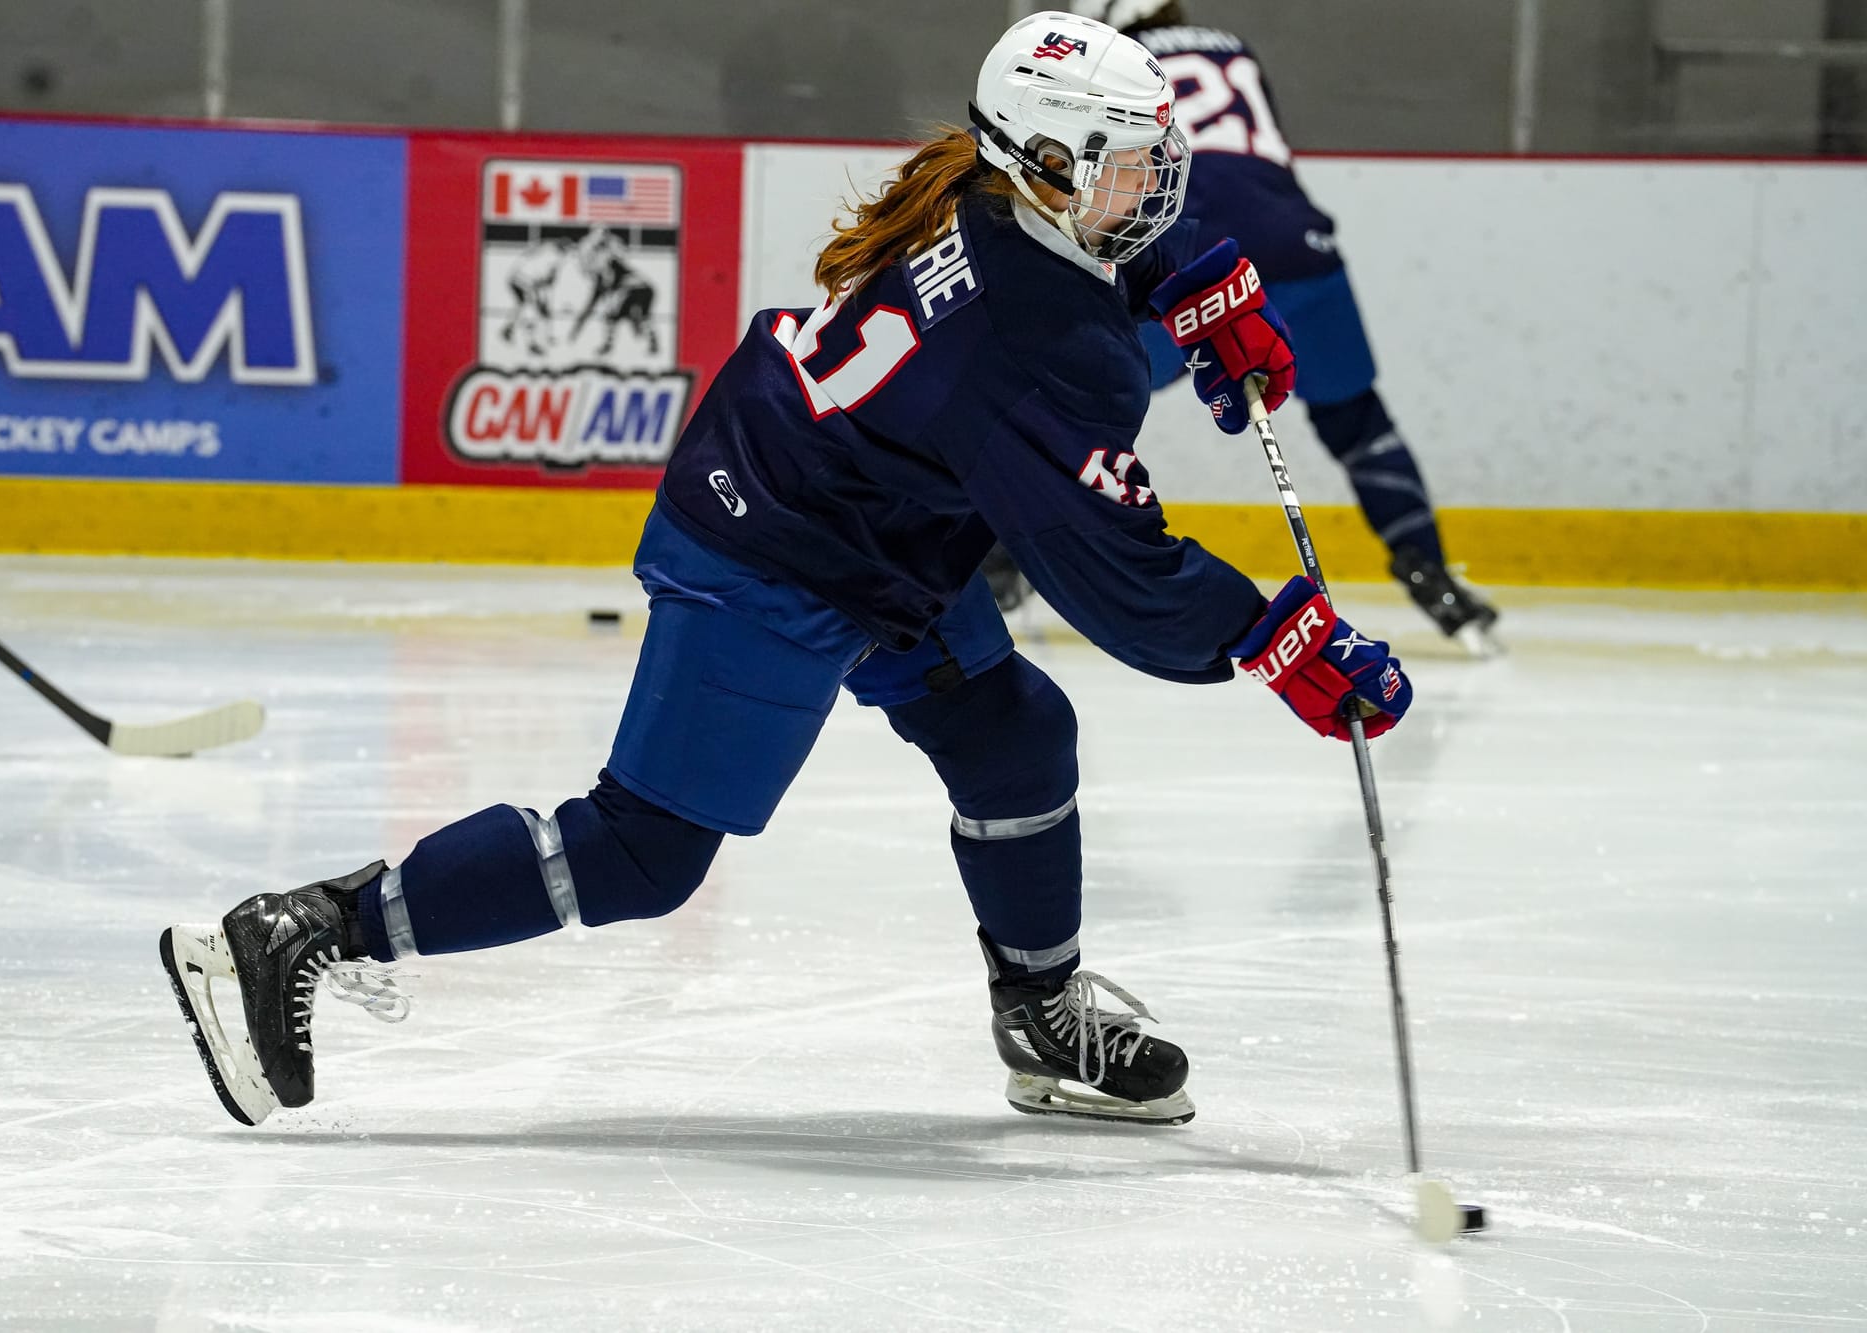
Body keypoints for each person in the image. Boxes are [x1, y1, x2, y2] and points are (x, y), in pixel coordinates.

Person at [159, 10, 1413, 1131]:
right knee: (642, 853)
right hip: (771, 541)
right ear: (1046, 167)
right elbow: (1115, 578)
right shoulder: (1037, 346)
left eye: (1154, 158)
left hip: (862, 517)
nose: (1156, 182)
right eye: (1131, 164)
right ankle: (300, 930)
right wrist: (1276, 636)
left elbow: (1088, 254)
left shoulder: (994, 200)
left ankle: (1038, 1012)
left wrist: (1178, 273)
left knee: (1012, 731)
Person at [984, 1, 1502, 654]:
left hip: (1188, 249)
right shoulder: (1233, 45)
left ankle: (1002, 565)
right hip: (1297, 240)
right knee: (1357, 421)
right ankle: (1432, 576)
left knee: (1074, 407)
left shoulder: (1119, 69)